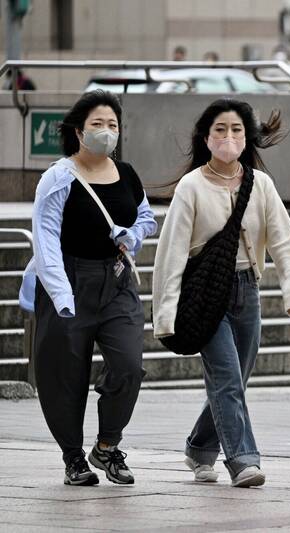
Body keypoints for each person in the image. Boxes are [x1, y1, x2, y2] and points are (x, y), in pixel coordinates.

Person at [152, 99, 290, 488]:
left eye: (236, 129)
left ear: (247, 136)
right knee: (227, 380)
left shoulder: (261, 184)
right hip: (206, 294)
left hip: (247, 289)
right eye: (220, 129)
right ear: (206, 137)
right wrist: (164, 314)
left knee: (236, 380)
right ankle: (243, 460)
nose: (228, 136)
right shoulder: (191, 186)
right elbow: (171, 253)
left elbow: (284, 242)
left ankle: (199, 448)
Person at [18, 90, 158, 486]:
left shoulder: (126, 173)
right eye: (98, 124)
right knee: (63, 376)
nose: (106, 131)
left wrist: (134, 235)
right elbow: (45, 238)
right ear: (79, 131)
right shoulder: (58, 177)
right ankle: (73, 458)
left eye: (113, 124)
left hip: (116, 281)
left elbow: (146, 216)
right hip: (68, 278)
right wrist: (61, 295)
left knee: (129, 365)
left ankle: (107, 445)